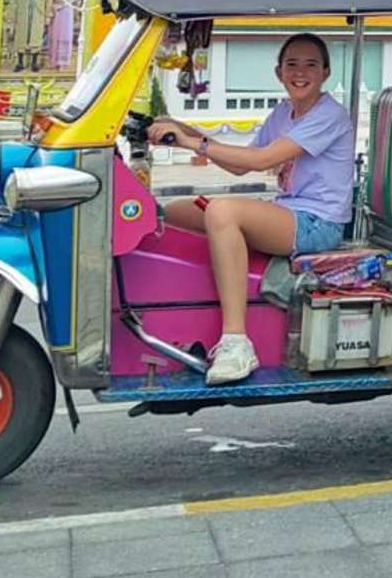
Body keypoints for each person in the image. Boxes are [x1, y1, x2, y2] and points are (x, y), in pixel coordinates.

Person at [150, 33, 354, 384]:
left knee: (222, 212)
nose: (300, 73)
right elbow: (239, 164)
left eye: (310, 65)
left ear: (325, 73)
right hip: (288, 212)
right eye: (292, 65)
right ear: (278, 72)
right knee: (169, 213)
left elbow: (261, 160)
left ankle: (236, 341)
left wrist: (191, 142)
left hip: (318, 223)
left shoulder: (329, 114)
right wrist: (177, 127)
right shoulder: (282, 113)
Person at [46, 0, 82, 71]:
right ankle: (54, 60)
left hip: (67, 10)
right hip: (56, 11)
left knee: (65, 34)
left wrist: (62, 5)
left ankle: (63, 61)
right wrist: (52, 7)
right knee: (55, 34)